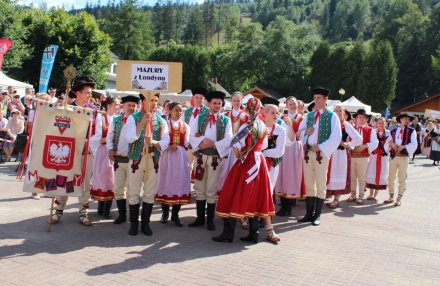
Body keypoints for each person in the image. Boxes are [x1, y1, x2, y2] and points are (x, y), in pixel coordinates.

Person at [213, 98, 280, 244]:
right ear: (260, 109)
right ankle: (253, 233)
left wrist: (238, 152)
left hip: (247, 161)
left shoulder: (247, 125)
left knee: (234, 192)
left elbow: (238, 143)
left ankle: (228, 233)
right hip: (259, 161)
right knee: (255, 195)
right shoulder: (262, 125)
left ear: (247, 109)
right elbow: (264, 145)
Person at [51, 80, 97, 226]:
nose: (90, 95)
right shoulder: (68, 109)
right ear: (78, 93)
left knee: (84, 182)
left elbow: (97, 132)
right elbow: (60, 130)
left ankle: (83, 212)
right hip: (68, 152)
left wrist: (88, 143)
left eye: (90, 93)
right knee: (65, 179)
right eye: (87, 93)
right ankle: (58, 210)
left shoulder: (94, 111)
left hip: (86, 152)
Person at [124, 93, 170, 236]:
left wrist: (155, 143)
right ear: (143, 101)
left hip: (152, 158)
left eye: (156, 101)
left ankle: (145, 223)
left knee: (150, 193)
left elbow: (166, 140)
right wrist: (142, 123)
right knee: (134, 192)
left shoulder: (161, 121)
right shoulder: (133, 118)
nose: (154, 103)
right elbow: (130, 138)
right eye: (151, 100)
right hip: (137, 159)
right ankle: (133, 224)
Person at [188, 91, 232, 231]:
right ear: (208, 104)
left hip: (215, 158)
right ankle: (200, 218)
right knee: (199, 187)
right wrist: (202, 141)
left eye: (219, 103)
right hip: (200, 157)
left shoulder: (226, 120)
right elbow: (191, 134)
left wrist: (213, 144)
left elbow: (229, 138)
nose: (217, 106)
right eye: (214, 103)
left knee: (211, 189)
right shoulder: (200, 117)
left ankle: (210, 220)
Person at [298, 87, 341, 226]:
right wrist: (306, 132)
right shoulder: (309, 115)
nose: (316, 100)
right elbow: (299, 133)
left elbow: (336, 137)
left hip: (321, 154)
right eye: (315, 98)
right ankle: (308, 214)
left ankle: (317, 216)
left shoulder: (332, 116)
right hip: (308, 153)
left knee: (321, 184)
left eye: (319, 98)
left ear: (325, 99)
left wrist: (321, 147)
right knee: (309, 184)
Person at [156, 102, 191, 227]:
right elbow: (160, 140)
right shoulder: (164, 125)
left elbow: (187, 142)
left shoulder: (185, 126)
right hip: (166, 156)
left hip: (180, 157)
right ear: (169, 111)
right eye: (176, 110)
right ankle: (165, 214)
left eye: (181, 110)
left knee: (179, 183)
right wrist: (168, 146)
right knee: (165, 182)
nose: (179, 113)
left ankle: (175, 215)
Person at [107, 94, 140, 224]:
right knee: (119, 189)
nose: (131, 108)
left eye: (133, 106)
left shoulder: (139, 121)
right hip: (119, 159)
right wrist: (110, 149)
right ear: (123, 106)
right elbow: (110, 136)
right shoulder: (116, 120)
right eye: (129, 105)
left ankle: (134, 218)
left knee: (133, 190)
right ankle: (122, 215)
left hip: (132, 161)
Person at [89, 96, 120, 219]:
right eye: (116, 104)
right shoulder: (101, 119)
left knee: (111, 180)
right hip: (103, 153)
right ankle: (101, 208)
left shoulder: (118, 119)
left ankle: (106, 209)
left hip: (114, 152)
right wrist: (106, 140)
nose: (119, 107)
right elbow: (96, 137)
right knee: (103, 179)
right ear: (108, 105)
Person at [326, 106, 362, 209]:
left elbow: (358, 139)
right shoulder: (330, 124)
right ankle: (329, 197)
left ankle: (336, 199)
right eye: (335, 111)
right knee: (329, 174)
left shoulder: (346, 125)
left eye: (340, 111)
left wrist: (346, 144)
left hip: (340, 154)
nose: (337, 112)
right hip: (330, 152)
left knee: (338, 174)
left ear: (343, 113)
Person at [274, 96, 305, 215]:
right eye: (290, 104)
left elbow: (300, 135)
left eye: (294, 103)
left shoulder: (302, 118)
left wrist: (298, 132)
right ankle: (283, 202)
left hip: (294, 147)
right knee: (282, 175)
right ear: (286, 105)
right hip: (283, 147)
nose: (293, 105)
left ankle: (289, 205)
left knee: (291, 175)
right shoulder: (282, 118)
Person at [385, 113, 417, 206]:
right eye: (405, 119)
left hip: (403, 158)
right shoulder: (394, 130)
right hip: (393, 157)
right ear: (400, 120)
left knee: (401, 179)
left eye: (408, 119)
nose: (407, 121)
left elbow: (414, 144)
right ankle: (391, 196)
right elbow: (388, 140)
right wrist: (391, 143)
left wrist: (404, 146)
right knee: (391, 178)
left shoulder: (412, 131)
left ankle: (399, 198)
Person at [347, 109, 378, 205]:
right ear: (355, 118)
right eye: (359, 117)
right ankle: (353, 194)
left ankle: (361, 195)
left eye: (364, 117)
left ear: (366, 120)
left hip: (363, 156)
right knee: (352, 176)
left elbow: (375, 143)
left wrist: (364, 146)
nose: (361, 119)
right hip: (352, 155)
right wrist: (351, 146)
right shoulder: (351, 128)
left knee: (361, 177)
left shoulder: (370, 130)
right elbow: (347, 139)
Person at [183, 87, 209, 181]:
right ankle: (185, 190)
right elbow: (183, 126)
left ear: (204, 99)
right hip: (187, 144)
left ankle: (199, 192)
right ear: (193, 98)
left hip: (201, 145)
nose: (198, 100)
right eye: (196, 97)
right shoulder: (187, 112)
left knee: (200, 169)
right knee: (186, 168)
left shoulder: (208, 112)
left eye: (200, 98)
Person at [365, 117, 392, 201]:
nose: (381, 124)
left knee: (380, 174)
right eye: (379, 123)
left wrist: (385, 150)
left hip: (383, 157)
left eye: (383, 123)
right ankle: (370, 193)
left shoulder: (389, 133)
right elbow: (369, 142)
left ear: (386, 123)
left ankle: (376, 194)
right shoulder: (373, 132)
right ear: (376, 124)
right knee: (371, 173)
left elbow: (390, 144)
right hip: (374, 156)